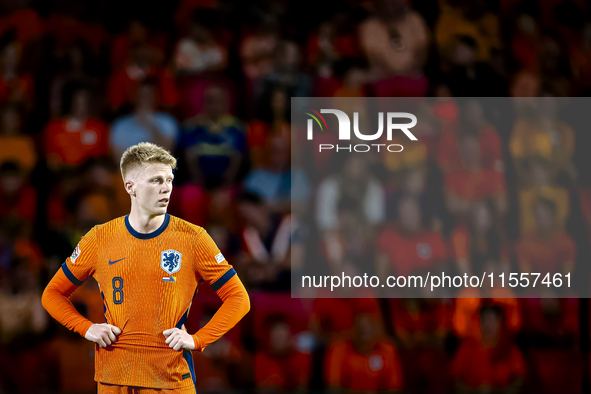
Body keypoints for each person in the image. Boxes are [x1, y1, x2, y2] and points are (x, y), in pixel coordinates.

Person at [42, 142, 250, 393]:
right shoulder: (99, 238)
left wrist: (198, 340)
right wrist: (87, 327)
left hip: (170, 380)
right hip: (114, 379)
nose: (166, 188)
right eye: (155, 180)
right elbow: (52, 294)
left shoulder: (193, 238)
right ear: (130, 186)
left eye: (169, 179)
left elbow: (239, 299)